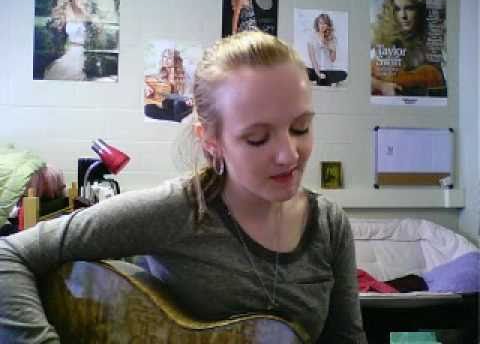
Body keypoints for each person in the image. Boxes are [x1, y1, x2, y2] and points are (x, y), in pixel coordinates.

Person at [0, 31, 366, 343]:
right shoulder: (179, 210)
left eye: (301, 128)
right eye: (257, 138)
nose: (289, 155)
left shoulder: (329, 225)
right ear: (210, 140)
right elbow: (8, 255)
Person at [371, 0, 446, 96]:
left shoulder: (435, 34)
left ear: (421, 9)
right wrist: (381, 85)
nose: (403, 16)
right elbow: (360, 72)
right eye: (397, 9)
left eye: (409, 8)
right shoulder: (382, 34)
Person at [43, 0, 91, 80]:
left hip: (83, 55)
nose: (84, 0)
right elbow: (54, 38)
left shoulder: (87, 15)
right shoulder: (63, 14)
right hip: (69, 54)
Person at [307, 13, 347, 86]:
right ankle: (319, 79)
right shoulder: (311, 38)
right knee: (305, 71)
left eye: (325, 23)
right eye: (320, 23)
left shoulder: (332, 39)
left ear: (328, 25)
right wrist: (318, 73)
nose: (322, 25)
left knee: (344, 74)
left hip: (328, 70)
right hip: (315, 70)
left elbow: (332, 59)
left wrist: (329, 46)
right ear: (317, 24)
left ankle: (324, 80)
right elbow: (312, 59)